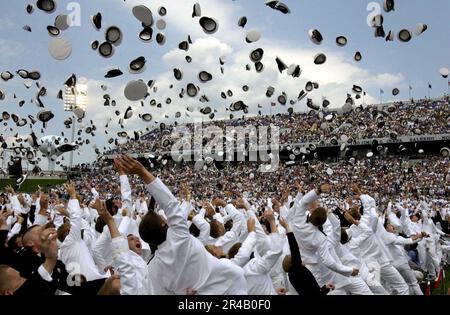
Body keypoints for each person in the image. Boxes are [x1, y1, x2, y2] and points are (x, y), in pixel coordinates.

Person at [114, 155, 248, 295]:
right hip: (229, 285)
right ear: (165, 226)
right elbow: (169, 203)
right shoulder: (179, 235)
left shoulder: (153, 269)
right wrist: (142, 172)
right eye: (164, 220)